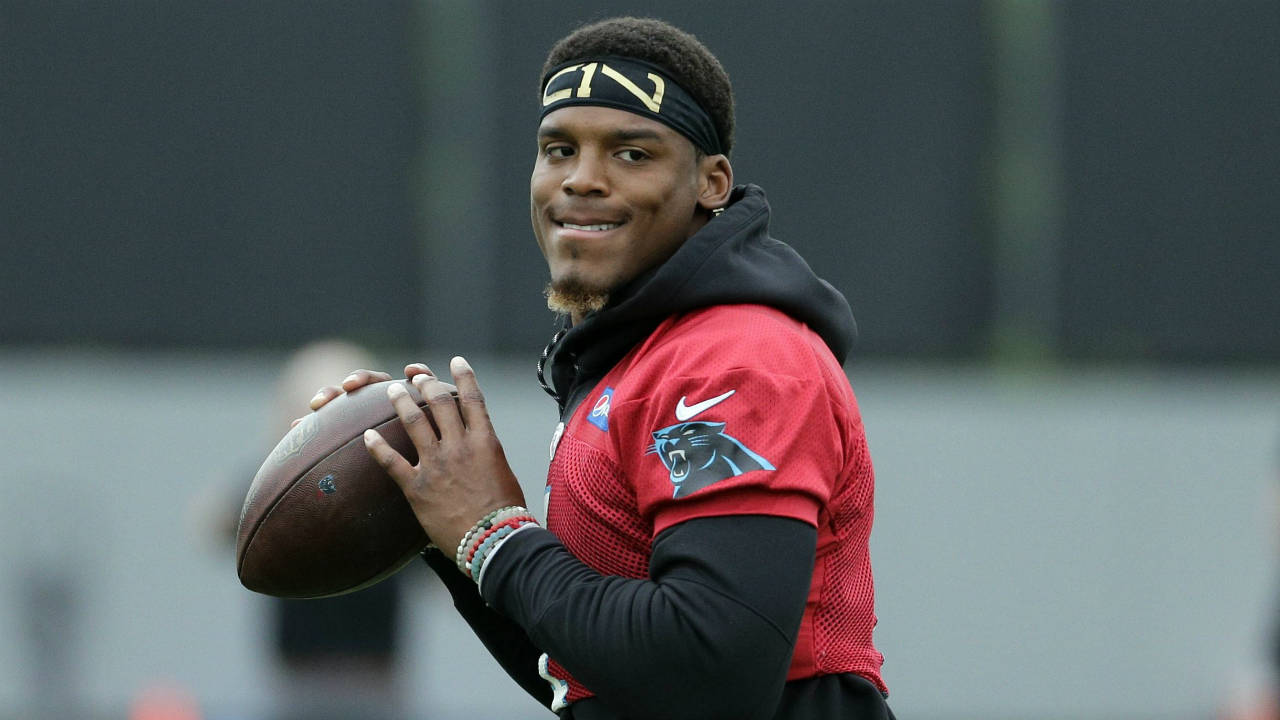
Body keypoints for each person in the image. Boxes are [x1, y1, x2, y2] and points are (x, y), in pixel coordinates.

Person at [307, 17, 893, 719]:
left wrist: (495, 534)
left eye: (631, 154)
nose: (581, 180)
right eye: (559, 149)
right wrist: (439, 520)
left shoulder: (735, 358)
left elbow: (714, 667)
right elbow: (589, 677)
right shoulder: (636, 356)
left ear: (711, 183)